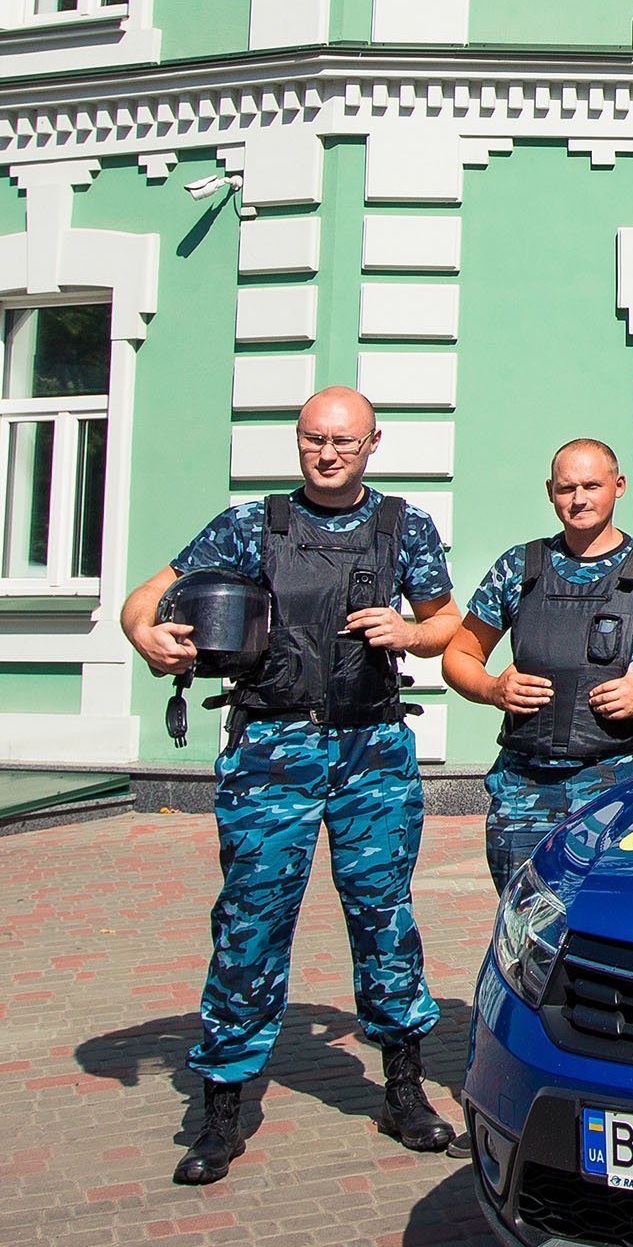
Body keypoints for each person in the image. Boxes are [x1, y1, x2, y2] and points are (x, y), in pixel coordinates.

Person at [122, 387, 463, 1184]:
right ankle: (221, 1106)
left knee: (383, 915)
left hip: (372, 748)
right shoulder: (254, 525)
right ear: (298, 442)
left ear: (373, 442)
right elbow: (145, 603)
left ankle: (403, 1088)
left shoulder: (402, 527)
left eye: (344, 440)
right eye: (315, 438)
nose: (329, 452)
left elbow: (449, 622)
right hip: (272, 749)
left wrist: (409, 630)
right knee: (251, 921)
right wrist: (151, 640)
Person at [442, 437, 633, 895]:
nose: (578, 499)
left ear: (618, 486)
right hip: (525, 788)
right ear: (550, 491)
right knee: (525, 925)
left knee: (614, 923)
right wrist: (493, 688)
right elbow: (459, 656)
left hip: (623, 782)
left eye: (591, 486)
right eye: (566, 488)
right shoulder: (518, 566)